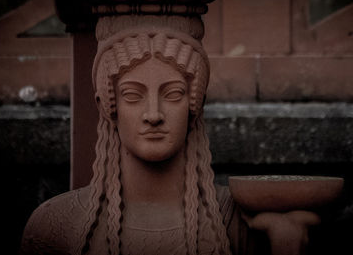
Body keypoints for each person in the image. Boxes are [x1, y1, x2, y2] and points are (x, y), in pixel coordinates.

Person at [20, 15, 319, 255]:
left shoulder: (240, 224)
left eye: (173, 94)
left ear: (195, 105)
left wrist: (285, 246)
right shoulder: (56, 226)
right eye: (133, 95)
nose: (153, 114)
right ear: (107, 106)